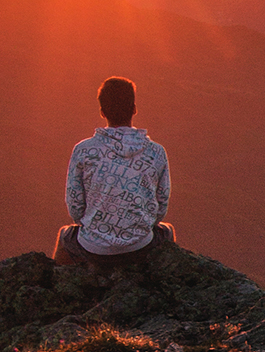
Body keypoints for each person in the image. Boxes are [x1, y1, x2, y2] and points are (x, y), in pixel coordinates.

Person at [53, 76, 175, 274]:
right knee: (167, 231)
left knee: (65, 236)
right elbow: (161, 207)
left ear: (102, 112)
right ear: (134, 109)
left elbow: (75, 207)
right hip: (140, 247)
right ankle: (159, 282)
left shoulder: (83, 150)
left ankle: (63, 285)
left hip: (93, 249)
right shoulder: (157, 152)